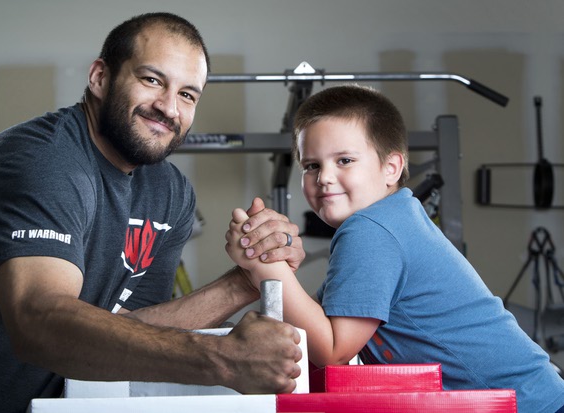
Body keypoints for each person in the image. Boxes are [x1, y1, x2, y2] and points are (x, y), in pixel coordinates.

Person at [0, 12, 306, 413]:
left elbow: (133, 333)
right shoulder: (43, 163)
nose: (169, 108)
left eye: (188, 95)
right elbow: (38, 321)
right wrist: (222, 357)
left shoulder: (169, 192)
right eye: (152, 80)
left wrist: (243, 281)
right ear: (100, 78)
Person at [225, 84, 564, 413]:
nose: (324, 177)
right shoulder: (395, 217)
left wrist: (265, 267)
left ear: (392, 168)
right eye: (311, 165)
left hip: (529, 405)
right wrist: (270, 257)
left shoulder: (370, 230)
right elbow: (313, 322)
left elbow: (333, 350)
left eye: (344, 160)